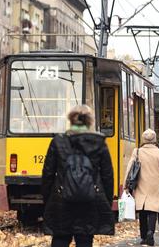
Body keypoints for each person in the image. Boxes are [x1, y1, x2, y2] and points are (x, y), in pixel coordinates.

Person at [41, 105, 114, 247]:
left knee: (60, 239)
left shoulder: (58, 141)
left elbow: (48, 174)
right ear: (90, 121)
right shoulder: (99, 142)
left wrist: (49, 200)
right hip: (90, 201)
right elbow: (107, 176)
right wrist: (106, 201)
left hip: (61, 200)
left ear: (70, 120)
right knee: (85, 239)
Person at [125, 129, 159, 246]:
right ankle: (150, 233)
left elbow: (129, 168)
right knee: (153, 210)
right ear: (154, 140)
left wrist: (125, 185)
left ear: (143, 139)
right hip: (155, 186)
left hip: (141, 185)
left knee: (142, 211)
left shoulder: (137, 151)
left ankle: (144, 236)